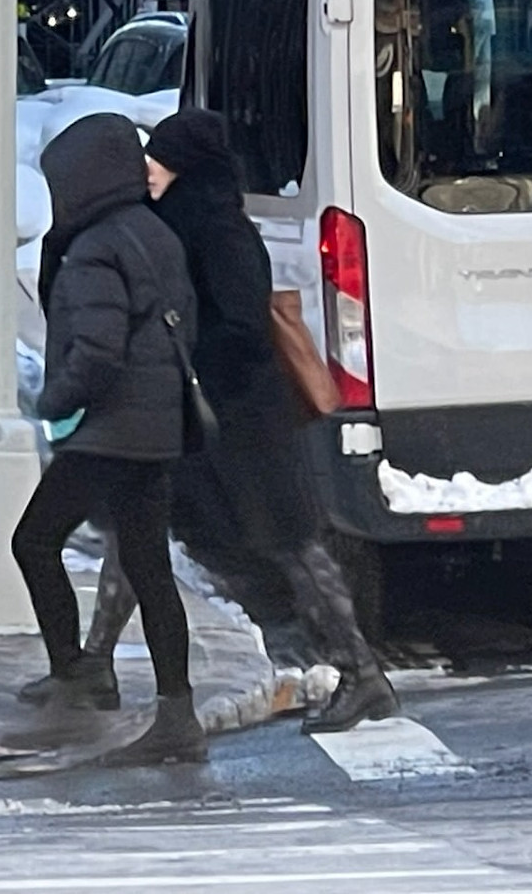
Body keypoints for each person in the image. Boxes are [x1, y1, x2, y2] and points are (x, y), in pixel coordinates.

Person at [106, 108, 400, 734]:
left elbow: (239, 327)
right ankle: (90, 664)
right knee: (140, 526)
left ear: (188, 167)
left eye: (161, 159)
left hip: (242, 419)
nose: (150, 169)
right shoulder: (179, 222)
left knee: (291, 544)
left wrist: (182, 344)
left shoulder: (221, 230)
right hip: (200, 414)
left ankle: (362, 673)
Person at [13, 112, 207, 767]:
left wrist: (54, 400)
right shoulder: (155, 232)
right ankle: (176, 712)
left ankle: (77, 670)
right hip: (154, 426)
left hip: (108, 430)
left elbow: (96, 350)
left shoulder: (95, 247)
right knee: (150, 567)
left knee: (34, 540)